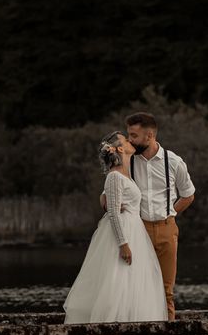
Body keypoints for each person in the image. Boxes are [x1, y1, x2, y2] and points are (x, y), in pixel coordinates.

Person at [63, 131, 168, 324]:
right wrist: (123, 244)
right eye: (126, 140)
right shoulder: (114, 177)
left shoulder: (124, 174)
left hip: (135, 230)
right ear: (120, 148)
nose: (130, 141)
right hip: (124, 233)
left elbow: (112, 198)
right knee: (118, 278)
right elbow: (112, 211)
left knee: (133, 280)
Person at [100, 112, 195, 321]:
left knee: (166, 290)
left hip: (167, 230)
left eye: (134, 135)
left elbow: (188, 195)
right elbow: (108, 193)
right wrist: (111, 202)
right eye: (129, 135)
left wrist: (169, 214)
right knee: (137, 287)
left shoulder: (174, 161)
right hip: (139, 231)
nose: (130, 139)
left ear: (149, 135)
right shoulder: (128, 160)